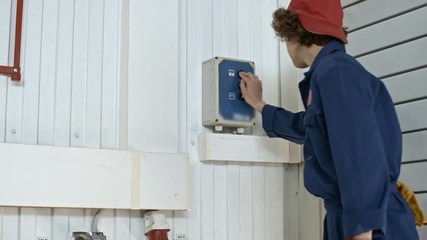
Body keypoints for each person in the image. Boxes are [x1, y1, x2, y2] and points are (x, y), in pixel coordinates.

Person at [238, 0, 420, 239]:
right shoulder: (331, 72)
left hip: (368, 224)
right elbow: (311, 128)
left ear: (294, 32)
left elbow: (359, 153)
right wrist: (260, 105)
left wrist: (362, 230)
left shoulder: (336, 73)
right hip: (355, 218)